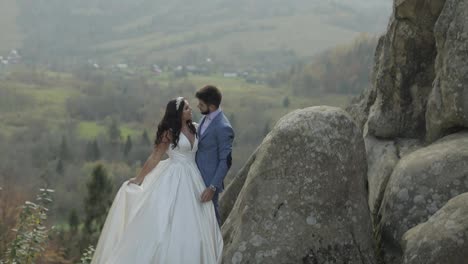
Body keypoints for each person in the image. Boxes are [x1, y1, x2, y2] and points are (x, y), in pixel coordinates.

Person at [91, 97, 223, 264]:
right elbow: (155, 157)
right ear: (178, 114)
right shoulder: (169, 133)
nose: (191, 110)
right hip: (173, 176)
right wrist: (139, 179)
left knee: (197, 228)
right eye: (186, 108)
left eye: (189, 107)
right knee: (164, 225)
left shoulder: (196, 128)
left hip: (194, 177)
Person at [195, 85, 235, 225]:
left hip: (208, 182)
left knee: (212, 220)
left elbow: (226, 161)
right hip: (194, 177)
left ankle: (218, 246)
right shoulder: (205, 118)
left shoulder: (223, 127)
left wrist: (212, 187)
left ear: (211, 107)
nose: (197, 106)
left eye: (201, 104)